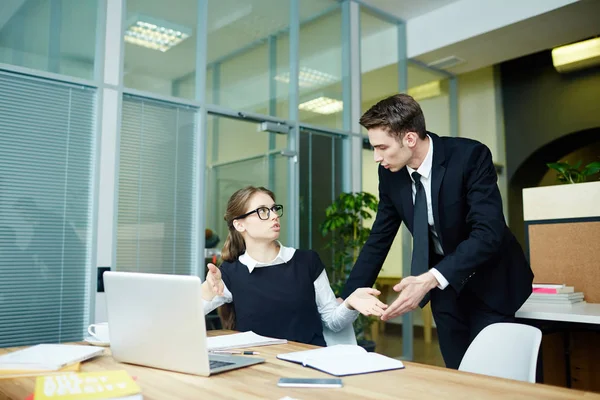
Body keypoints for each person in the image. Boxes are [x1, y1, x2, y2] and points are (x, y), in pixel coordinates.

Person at [341, 94, 533, 369]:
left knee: (493, 376)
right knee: (457, 372)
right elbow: (380, 236)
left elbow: (488, 232)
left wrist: (430, 278)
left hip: (492, 283)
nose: (376, 157)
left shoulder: (469, 156)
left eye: (382, 147)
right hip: (445, 290)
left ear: (409, 138)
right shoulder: (391, 174)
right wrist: (351, 293)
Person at [201, 186, 388, 346]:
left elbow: (333, 322)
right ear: (240, 225)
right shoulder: (229, 273)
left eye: (274, 209)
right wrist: (209, 290)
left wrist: (350, 303)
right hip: (259, 369)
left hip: (309, 364)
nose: (274, 216)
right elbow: (184, 316)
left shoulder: (307, 261)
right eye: (263, 211)